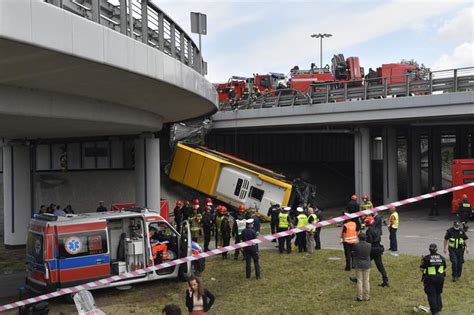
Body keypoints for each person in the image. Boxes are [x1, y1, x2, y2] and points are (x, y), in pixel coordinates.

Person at [420, 243, 446, 315]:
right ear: (436, 249)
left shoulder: (427, 258)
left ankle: (435, 311)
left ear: (429, 250)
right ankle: (439, 308)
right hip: (440, 278)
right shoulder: (442, 258)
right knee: (438, 293)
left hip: (430, 278)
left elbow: (422, 267)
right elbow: (444, 267)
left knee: (431, 294)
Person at [365, 216, 389, 287]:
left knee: (365, 263)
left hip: (372, 249)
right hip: (378, 248)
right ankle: (385, 280)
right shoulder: (377, 229)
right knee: (380, 265)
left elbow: (369, 241)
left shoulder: (369, 231)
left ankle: (359, 278)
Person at [352, 232, 371, 302]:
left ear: (359, 238)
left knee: (359, 281)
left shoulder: (356, 245)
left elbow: (353, 253)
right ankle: (367, 296)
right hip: (367, 264)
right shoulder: (369, 245)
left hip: (358, 264)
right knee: (366, 281)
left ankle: (360, 297)